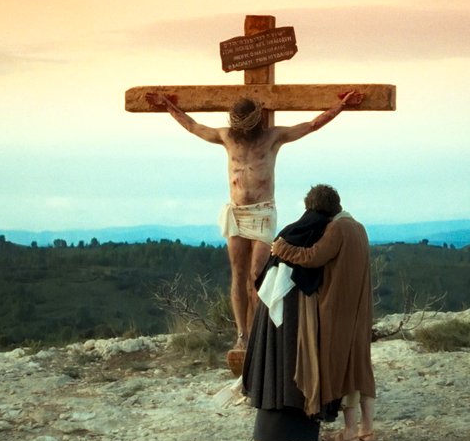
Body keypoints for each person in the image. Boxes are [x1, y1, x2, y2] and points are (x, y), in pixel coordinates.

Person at [145, 91, 363, 352]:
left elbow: (310, 126)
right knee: (238, 274)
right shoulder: (227, 137)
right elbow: (194, 127)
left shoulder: (273, 138)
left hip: (262, 211)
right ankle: (241, 335)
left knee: (258, 273)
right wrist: (168, 105)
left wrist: (340, 106)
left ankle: (261, 332)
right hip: (237, 212)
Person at [271, 184, 376, 441]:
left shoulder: (337, 228)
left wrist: (281, 249)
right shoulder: (358, 227)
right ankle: (367, 429)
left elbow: (314, 257)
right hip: (359, 308)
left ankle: (350, 431)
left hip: (339, 308)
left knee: (342, 369)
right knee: (360, 367)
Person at [240, 197, 336, 441]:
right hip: (299, 309)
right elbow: (313, 265)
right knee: (296, 362)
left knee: (275, 364)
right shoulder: (319, 234)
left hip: (272, 309)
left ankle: (270, 433)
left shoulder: (289, 232)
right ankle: (298, 431)